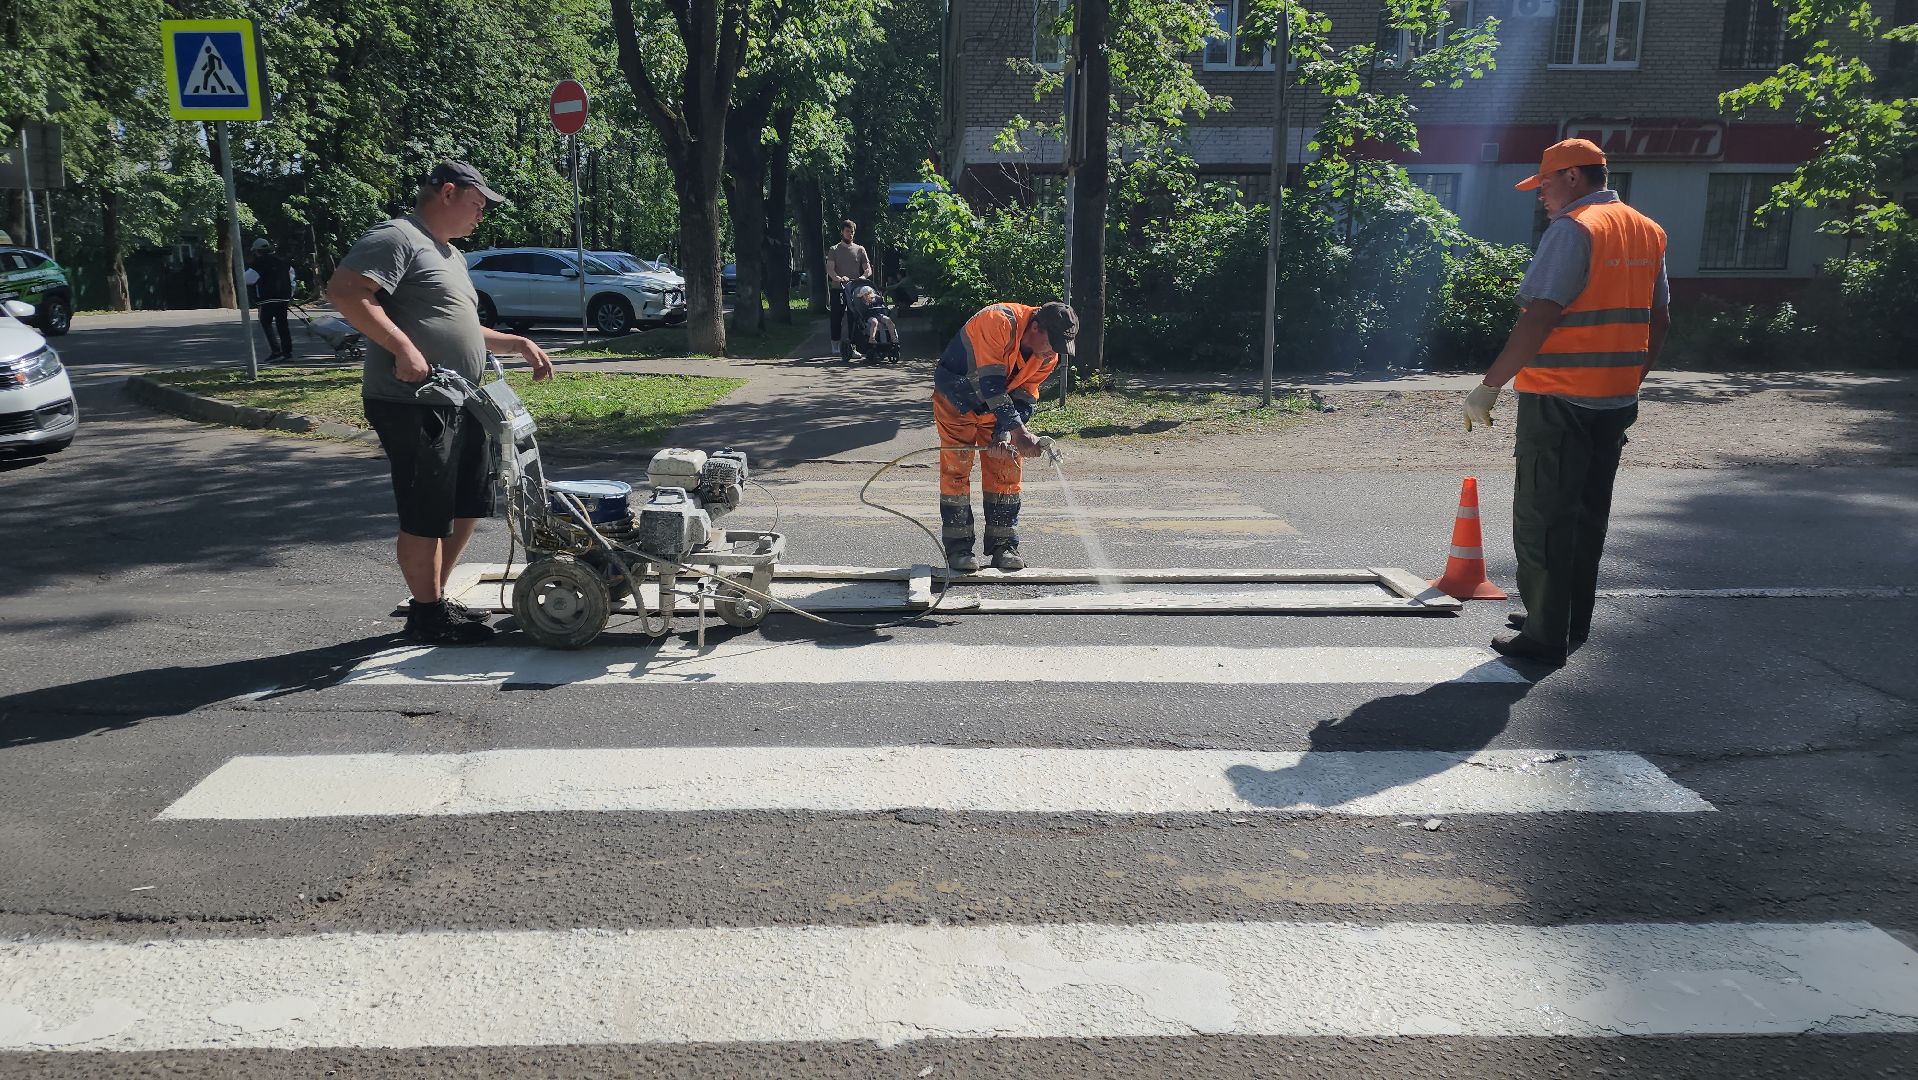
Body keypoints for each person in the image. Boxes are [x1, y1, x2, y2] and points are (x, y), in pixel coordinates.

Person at [327, 160, 555, 645]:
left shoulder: (451, 255)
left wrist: (514, 343)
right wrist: (403, 348)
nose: (482, 216)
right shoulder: (397, 237)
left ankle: (429, 599)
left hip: (463, 399)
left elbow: (460, 327)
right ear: (447, 193)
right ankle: (427, 615)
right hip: (413, 399)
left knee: (468, 502)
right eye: (477, 205)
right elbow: (346, 292)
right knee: (427, 508)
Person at [1464, 138, 1670, 668]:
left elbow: (1539, 315)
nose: (1541, 197)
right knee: (1586, 513)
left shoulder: (1574, 229)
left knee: (1544, 516)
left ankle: (1544, 634)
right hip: (1615, 398)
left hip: (1559, 395)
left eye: (1546, 184)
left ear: (1574, 178)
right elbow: (1660, 317)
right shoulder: (1648, 230)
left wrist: (1491, 384)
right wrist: (1632, 375)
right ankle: (1565, 616)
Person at [932, 300, 1077, 573]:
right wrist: (1019, 433)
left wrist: (1004, 435)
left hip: (997, 408)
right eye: (1051, 342)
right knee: (956, 470)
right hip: (956, 399)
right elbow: (991, 383)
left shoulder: (1048, 356)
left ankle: (1004, 545)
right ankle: (959, 549)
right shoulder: (998, 321)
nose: (1052, 352)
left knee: (1007, 467)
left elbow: (1025, 395)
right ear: (1035, 327)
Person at [824, 219, 872, 362]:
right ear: (842, 232)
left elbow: (868, 269)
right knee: (836, 317)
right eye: (847, 231)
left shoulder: (860, 249)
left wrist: (862, 278)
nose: (850, 234)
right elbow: (830, 269)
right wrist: (838, 278)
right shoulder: (834, 249)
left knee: (854, 318)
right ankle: (835, 345)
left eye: (852, 232)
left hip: (854, 289)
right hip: (839, 289)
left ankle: (853, 347)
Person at [246, 238, 296, 361]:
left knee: (266, 322)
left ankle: (276, 350)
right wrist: (289, 295)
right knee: (283, 325)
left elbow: (247, 279)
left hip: (267, 299)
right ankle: (287, 353)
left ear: (257, 251)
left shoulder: (258, 263)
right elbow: (292, 279)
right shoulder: (283, 262)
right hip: (283, 298)